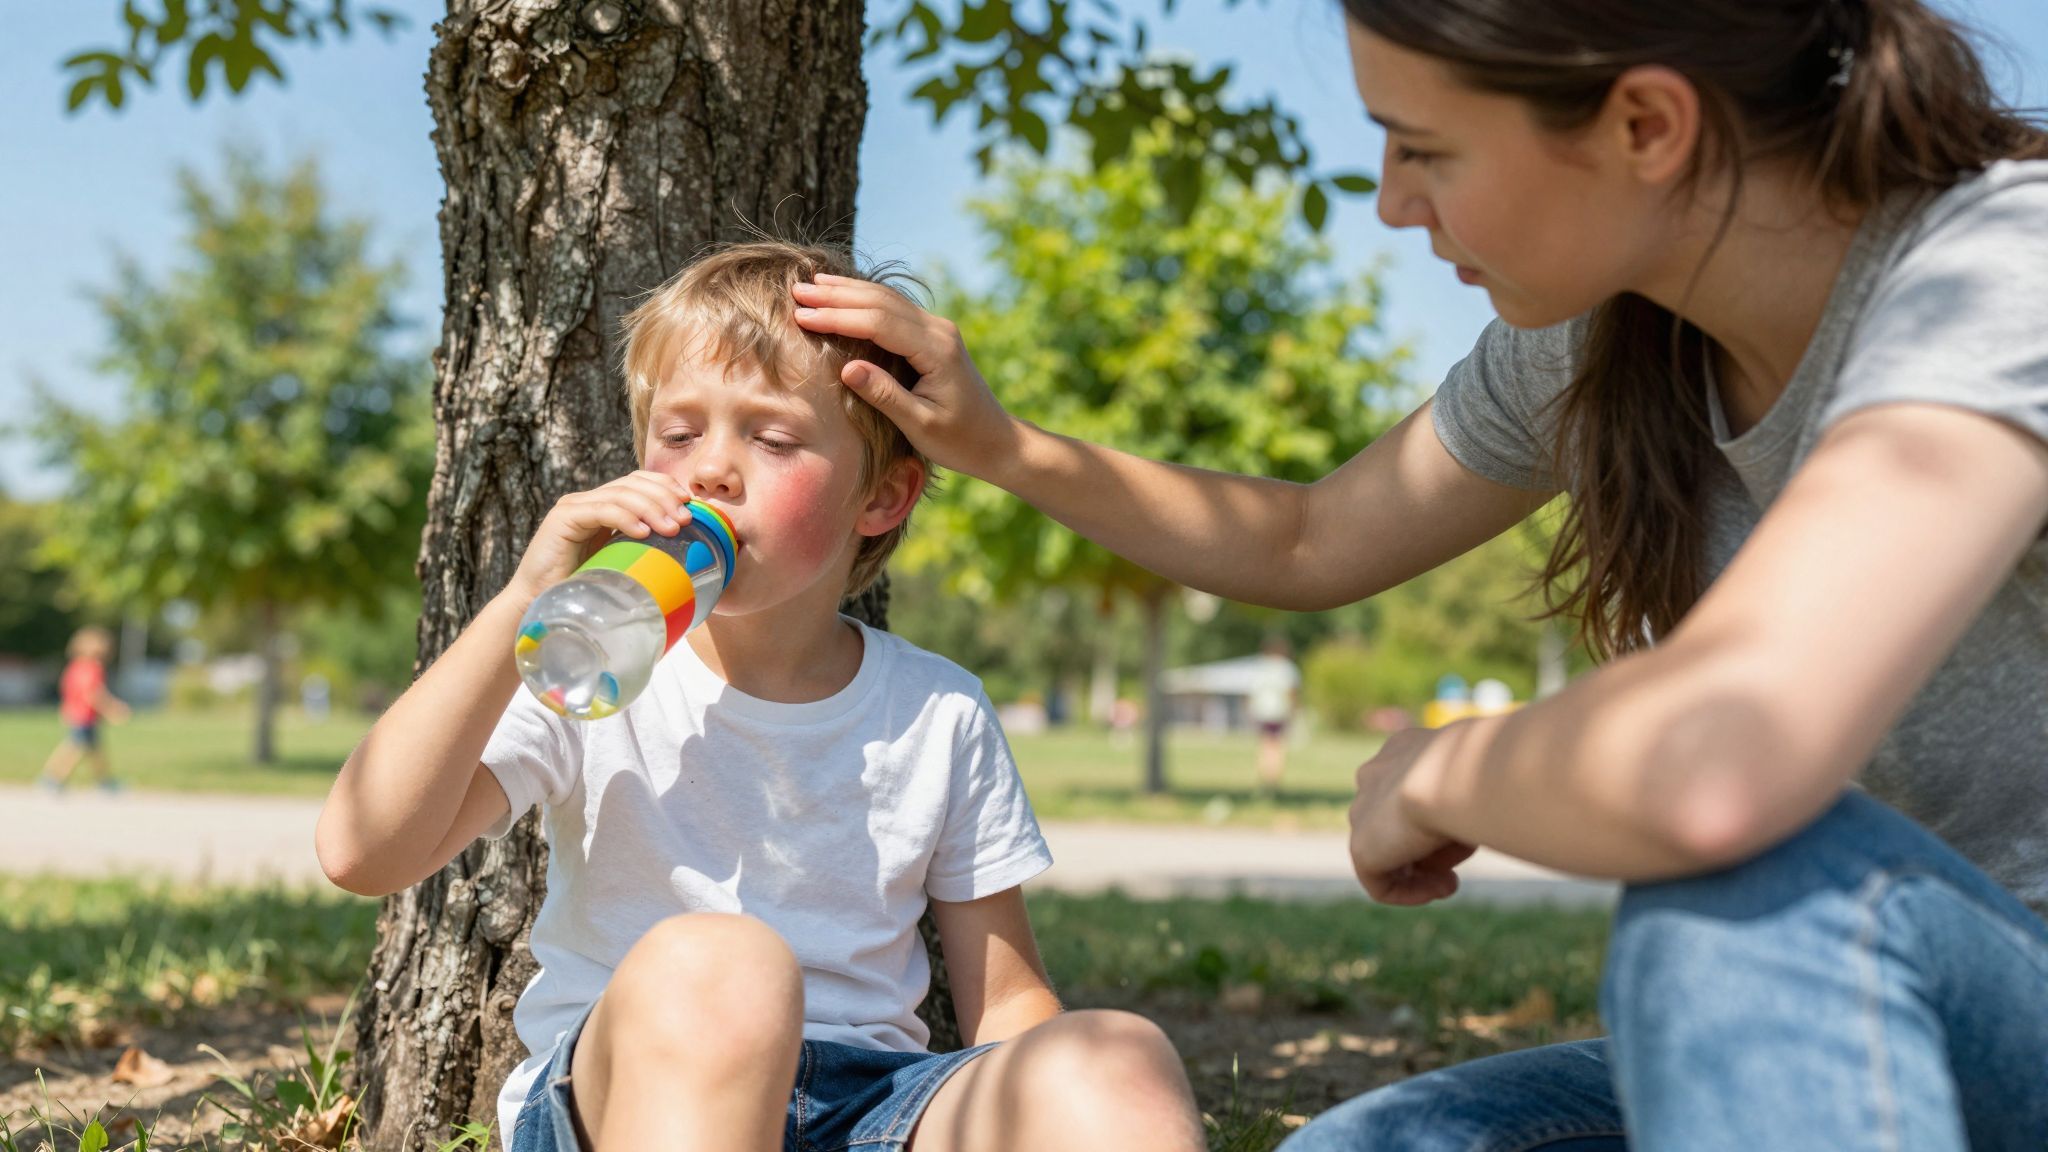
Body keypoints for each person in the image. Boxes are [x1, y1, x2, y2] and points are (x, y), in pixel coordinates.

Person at [788, 0, 2048, 1145]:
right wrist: (1003, 447)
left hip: (1970, 1005)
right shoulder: (1599, 343)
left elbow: (1720, 764)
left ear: (1645, 126)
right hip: (1847, 1037)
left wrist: (1442, 769)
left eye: (1424, 148)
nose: (1392, 201)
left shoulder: (2002, 267)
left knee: (1757, 868)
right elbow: (1306, 539)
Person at [314, 241, 1205, 1152]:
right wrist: (523, 599)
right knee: (726, 964)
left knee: (1114, 1058)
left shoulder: (938, 711)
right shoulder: (592, 668)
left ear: (882, 497)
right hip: (642, 1093)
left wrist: (1052, 1097)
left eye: (772, 439)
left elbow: (1008, 1002)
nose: (711, 469)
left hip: (873, 1105)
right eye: (678, 435)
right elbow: (362, 851)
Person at [40, 626, 132, 794]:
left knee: (95, 751)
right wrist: (112, 710)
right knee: (74, 749)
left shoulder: (74, 667)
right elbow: (94, 694)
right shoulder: (93, 668)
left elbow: (68, 689)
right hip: (83, 717)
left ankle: (104, 781)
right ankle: (52, 779)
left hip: (77, 715)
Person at [1244, 635, 1299, 795]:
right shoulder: (1286, 668)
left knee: (1264, 745)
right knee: (1277, 746)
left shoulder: (1260, 667)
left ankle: (1264, 779)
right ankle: (1273, 780)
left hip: (1261, 712)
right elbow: (1291, 692)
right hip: (1278, 712)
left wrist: (1249, 711)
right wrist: (1293, 711)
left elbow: (1251, 692)